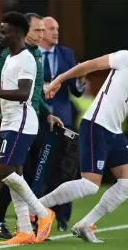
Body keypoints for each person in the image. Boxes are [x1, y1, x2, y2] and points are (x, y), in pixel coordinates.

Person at [39, 27, 128, 243]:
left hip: (115, 131)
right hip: (96, 123)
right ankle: (38, 208)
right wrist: (59, 80)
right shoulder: (126, 58)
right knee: (89, 185)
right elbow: (89, 66)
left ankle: (85, 224)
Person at [0, 12, 55, 245]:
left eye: (4, 31)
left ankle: (44, 214)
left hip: (22, 122)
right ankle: (25, 230)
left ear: (17, 33)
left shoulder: (26, 59)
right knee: (15, 175)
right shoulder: (11, 58)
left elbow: (24, 94)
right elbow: (0, 87)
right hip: (9, 121)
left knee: (5, 171)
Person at [39, 16, 87, 231]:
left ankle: (63, 218)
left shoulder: (66, 54)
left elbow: (76, 90)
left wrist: (80, 79)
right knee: (40, 170)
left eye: (57, 28)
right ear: (41, 31)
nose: (55, 32)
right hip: (39, 119)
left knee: (66, 170)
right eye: (51, 28)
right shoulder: (30, 56)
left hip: (64, 122)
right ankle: (40, 215)